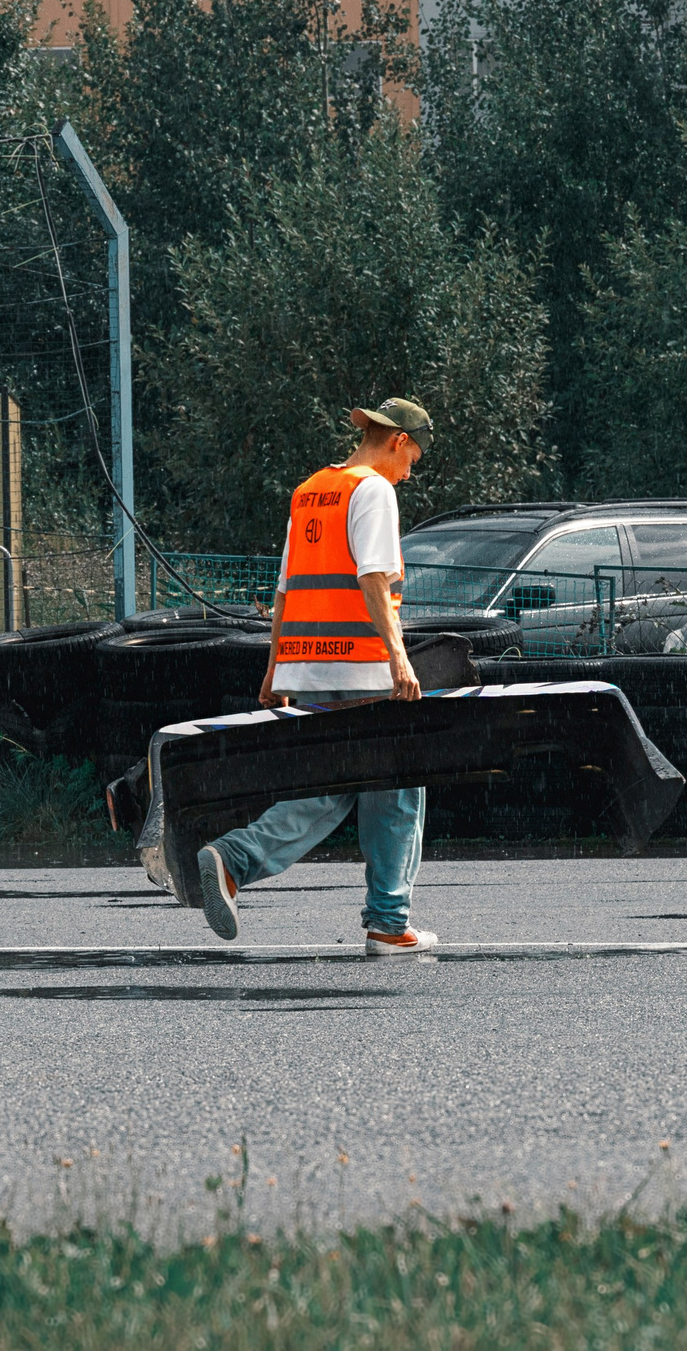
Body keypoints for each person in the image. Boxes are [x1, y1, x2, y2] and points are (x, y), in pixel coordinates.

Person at [198, 397, 439, 956]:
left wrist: (276, 665)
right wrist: (398, 658)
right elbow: (374, 578)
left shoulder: (310, 491)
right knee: (398, 784)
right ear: (398, 441)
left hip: (309, 664)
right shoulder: (374, 490)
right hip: (361, 666)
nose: (412, 471)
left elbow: (285, 588)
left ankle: (237, 863)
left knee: (331, 787)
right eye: (415, 458)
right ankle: (385, 920)